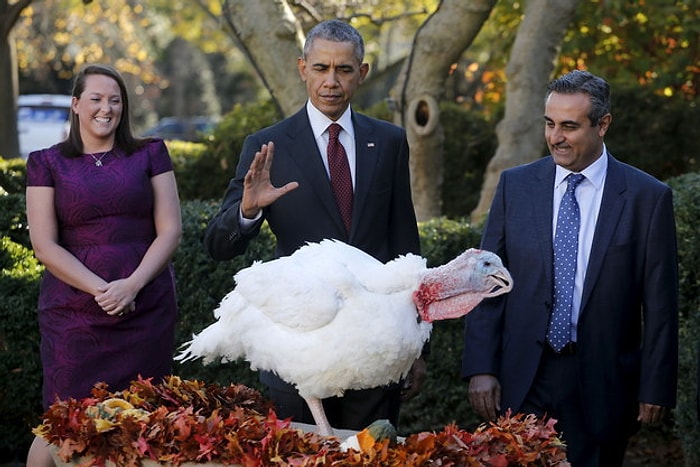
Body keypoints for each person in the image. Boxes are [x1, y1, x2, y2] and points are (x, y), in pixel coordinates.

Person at [203, 19, 423, 432]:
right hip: (299, 359)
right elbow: (217, 244)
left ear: (363, 72)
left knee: (370, 457)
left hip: (374, 350)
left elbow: (404, 246)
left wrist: (414, 343)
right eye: (321, 68)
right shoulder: (267, 145)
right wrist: (247, 212)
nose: (331, 81)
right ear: (303, 68)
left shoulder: (389, 141)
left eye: (343, 69)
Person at [462, 70, 678, 466]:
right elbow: (486, 282)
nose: (556, 137)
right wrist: (481, 367)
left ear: (603, 125)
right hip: (522, 377)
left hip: (602, 383)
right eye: (549, 124)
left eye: (569, 126)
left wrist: (656, 387)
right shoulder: (515, 186)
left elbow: (661, 306)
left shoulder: (648, 198)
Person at [25, 64, 182, 466]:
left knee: (144, 425)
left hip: (145, 308)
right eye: (95, 99)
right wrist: (103, 290)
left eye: (115, 100)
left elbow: (170, 230)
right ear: (76, 104)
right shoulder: (46, 162)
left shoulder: (150, 153)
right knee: (62, 424)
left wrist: (131, 286)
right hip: (74, 314)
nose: (106, 108)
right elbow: (44, 244)